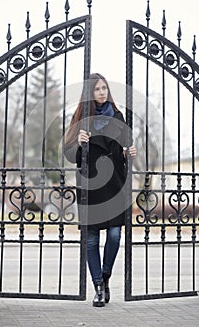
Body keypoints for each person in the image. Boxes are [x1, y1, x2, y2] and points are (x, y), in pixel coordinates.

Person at [64, 73, 136, 307]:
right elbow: (69, 154)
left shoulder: (118, 116)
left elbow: (123, 148)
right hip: (90, 184)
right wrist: (80, 143)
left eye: (104, 88)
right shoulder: (80, 120)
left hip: (115, 182)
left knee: (115, 235)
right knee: (92, 240)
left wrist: (128, 153)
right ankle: (98, 287)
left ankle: (105, 277)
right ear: (89, 93)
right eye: (97, 89)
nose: (102, 92)